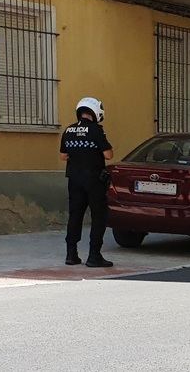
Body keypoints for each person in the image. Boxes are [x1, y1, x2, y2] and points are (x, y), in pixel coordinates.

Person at [59, 97, 114, 267]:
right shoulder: (96, 130)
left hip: (74, 179)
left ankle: (71, 254)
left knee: (75, 215)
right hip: (94, 180)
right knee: (99, 216)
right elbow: (108, 155)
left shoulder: (68, 130)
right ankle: (94, 255)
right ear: (95, 112)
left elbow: (63, 156)